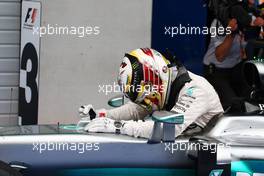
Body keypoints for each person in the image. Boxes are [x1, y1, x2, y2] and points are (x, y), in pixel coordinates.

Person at [79, 48, 223, 139]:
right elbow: (136, 110)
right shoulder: (166, 87)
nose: (146, 100)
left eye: (145, 93)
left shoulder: (196, 90)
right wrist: (100, 115)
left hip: (212, 155)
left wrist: (117, 126)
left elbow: (168, 130)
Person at [203, 18, 252, 112]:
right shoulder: (219, 23)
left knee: (251, 101)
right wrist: (231, 33)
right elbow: (220, 56)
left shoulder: (247, 19)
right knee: (232, 106)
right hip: (216, 70)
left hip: (236, 69)